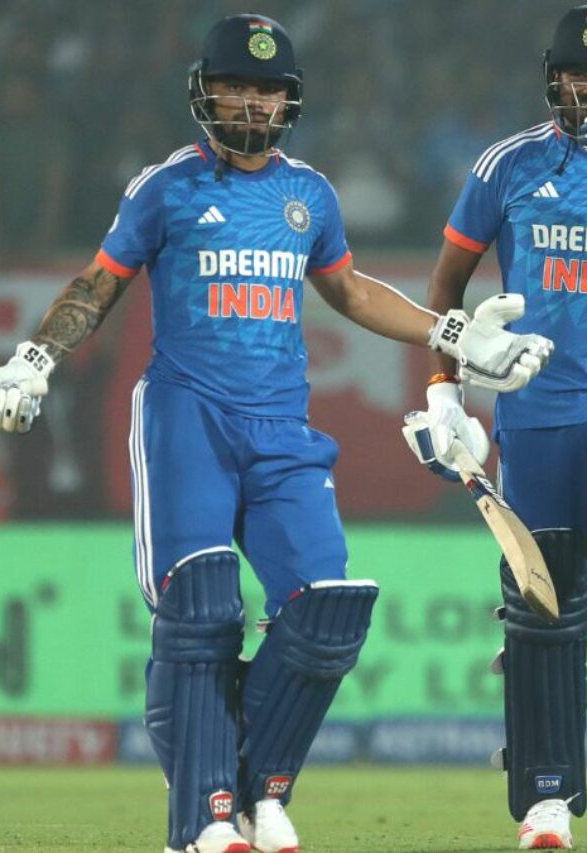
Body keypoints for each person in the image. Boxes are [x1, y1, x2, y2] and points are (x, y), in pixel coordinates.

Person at [0, 13, 552, 853]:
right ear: (204, 93)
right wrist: (34, 358)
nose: (251, 103)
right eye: (236, 86)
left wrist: (450, 335)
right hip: (187, 417)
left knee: (327, 611)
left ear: (291, 102)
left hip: (282, 428)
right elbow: (99, 282)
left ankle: (256, 789)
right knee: (202, 609)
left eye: (268, 90)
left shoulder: (309, 195)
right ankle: (203, 820)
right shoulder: (166, 187)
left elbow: (350, 291)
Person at [403, 5, 587, 850]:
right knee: (541, 601)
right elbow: (445, 288)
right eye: (576, 74)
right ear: (553, 79)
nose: (585, 89)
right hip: (540, 411)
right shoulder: (509, 165)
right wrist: (444, 390)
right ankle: (547, 796)